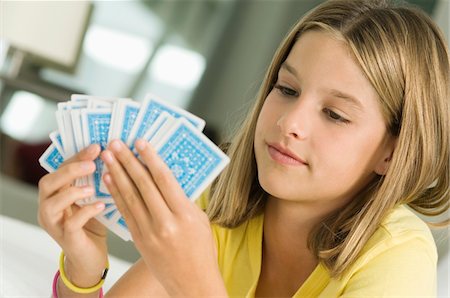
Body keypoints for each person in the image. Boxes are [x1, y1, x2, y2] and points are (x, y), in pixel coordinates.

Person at [38, 0, 450, 296]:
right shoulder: (218, 197)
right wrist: (84, 270)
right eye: (286, 89)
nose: (290, 123)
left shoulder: (399, 257)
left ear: (393, 152)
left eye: (335, 114)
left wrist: (192, 280)